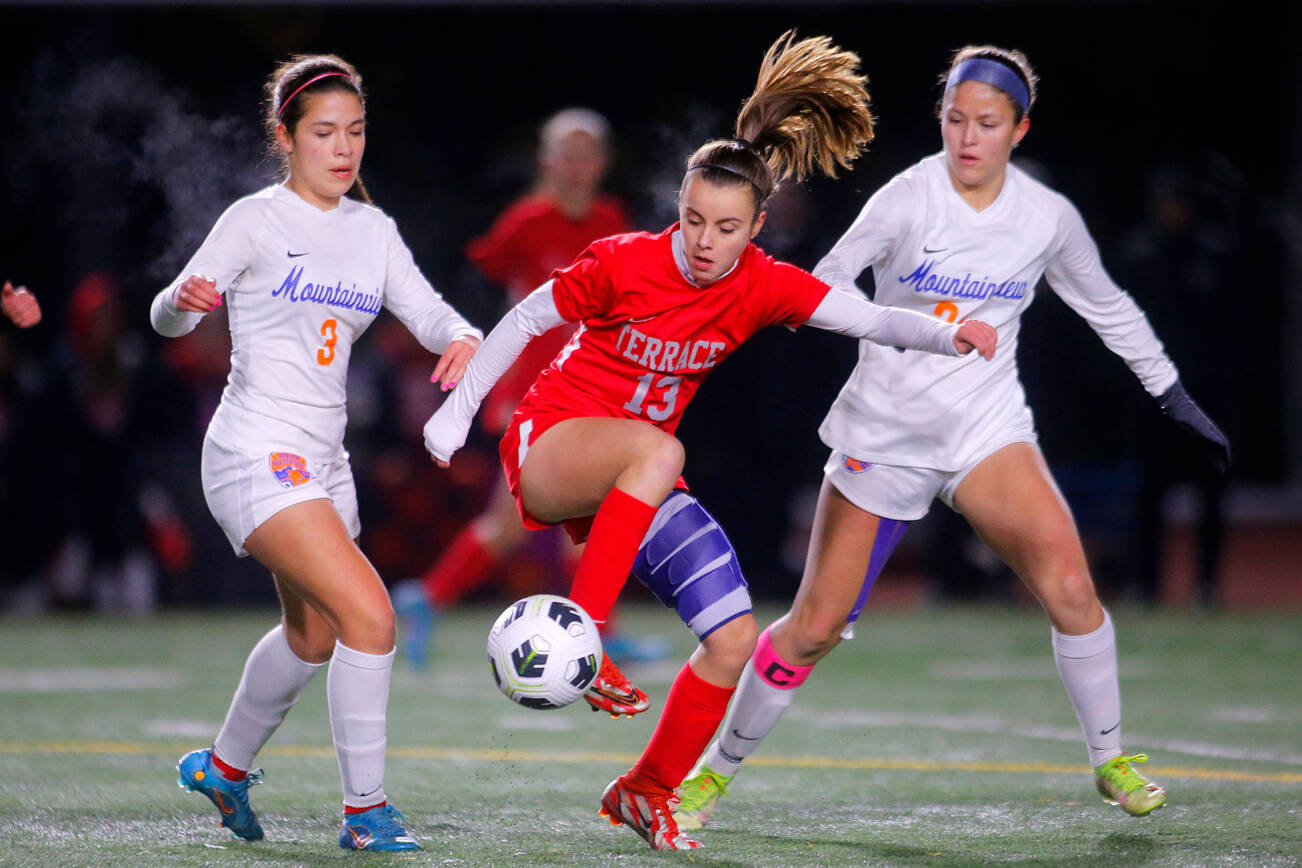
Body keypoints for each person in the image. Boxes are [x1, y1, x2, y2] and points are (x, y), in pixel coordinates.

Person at [423, 32, 997, 850]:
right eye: (692, 219)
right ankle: (587, 628)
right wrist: (456, 414)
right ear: (678, 209)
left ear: (755, 226)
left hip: (635, 480)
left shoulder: (765, 282)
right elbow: (524, 320)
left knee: (732, 639)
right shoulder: (623, 260)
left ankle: (645, 789)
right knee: (661, 450)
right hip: (553, 446)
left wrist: (953, 335)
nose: (702, 241)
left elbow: (868, 318)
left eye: (725, 227)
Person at [672, 44, 1231, 832]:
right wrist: (912, 326)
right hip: (885, 431)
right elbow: (824, 282)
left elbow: (1107, 306)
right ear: (941, 119)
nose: (968, 137)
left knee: (1072, 589)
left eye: (988, 123)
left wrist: (1169, 389)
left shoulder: (1046, 217)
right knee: (814, 628)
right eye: (955, 119)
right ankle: (710, 775)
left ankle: (1110, 759)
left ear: (1020, 129)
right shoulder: (907, 200)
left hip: (985, 430)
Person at [150, 54, 482, 852]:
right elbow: (167, 318)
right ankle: (365, 813)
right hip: (254, 450)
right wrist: (179, 303)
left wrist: (465, 337)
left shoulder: (372, 231)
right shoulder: (255, 220)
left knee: (315, 637)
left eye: (356, 132)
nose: (344, 149)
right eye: (325, 133)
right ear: (286, 138)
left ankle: (224, 769)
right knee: (370, 616)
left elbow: (430, 313)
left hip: (321, 461)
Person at [394, 108, 663, 667]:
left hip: (585, 390)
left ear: (603, 163)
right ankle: (591, 629)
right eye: (565, 152)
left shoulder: (612, 217)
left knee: (561, 517)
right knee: (545, 519)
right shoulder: (526, 221)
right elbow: (487, 279)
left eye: (587, 152)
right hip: (533, 394)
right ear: (547, 161)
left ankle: (431, 599)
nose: (576, 164)